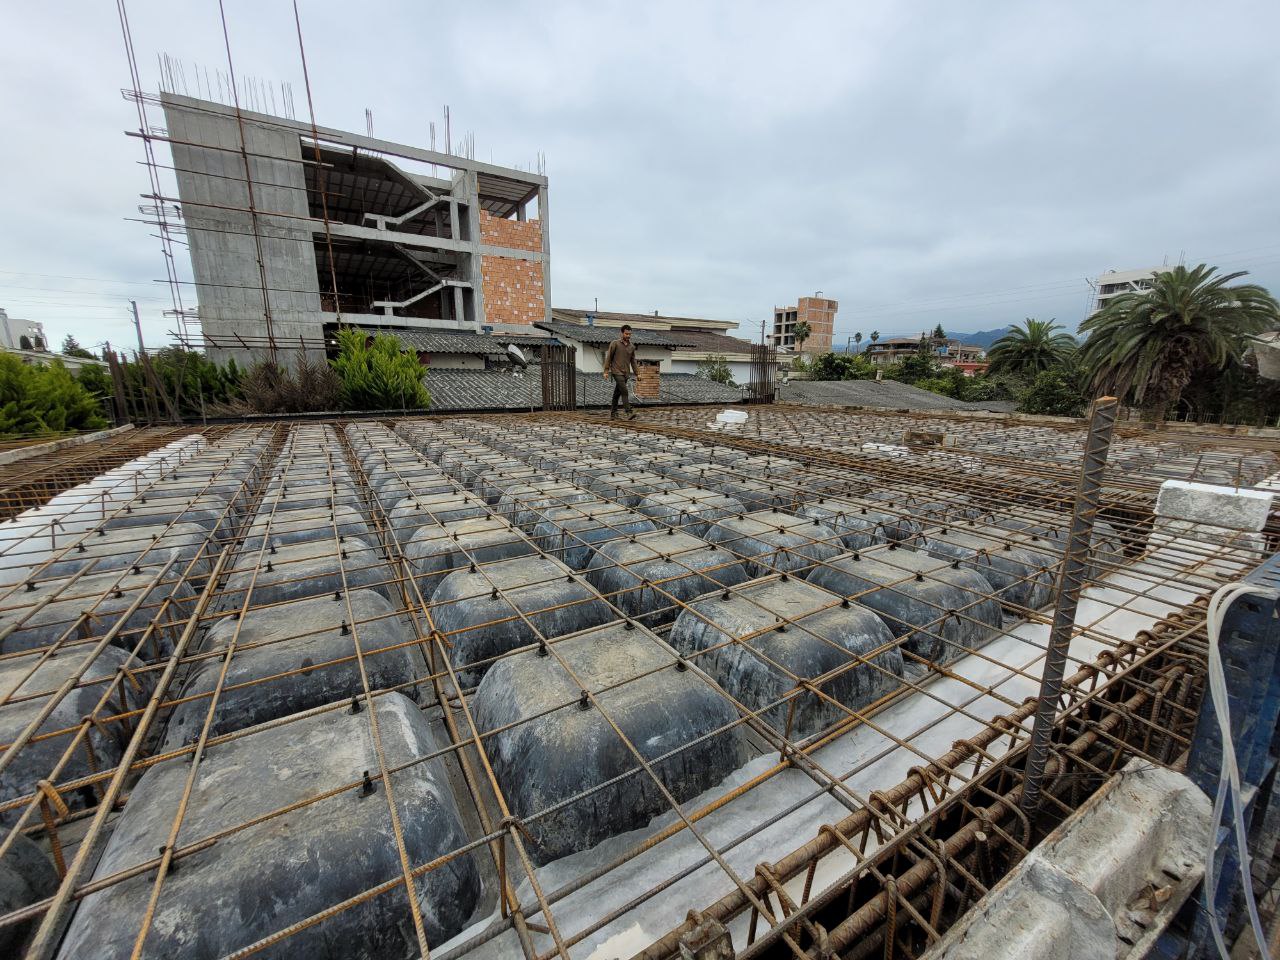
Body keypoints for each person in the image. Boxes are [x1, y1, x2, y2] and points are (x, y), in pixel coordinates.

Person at [603, 324, 639, 420]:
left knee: (617, 393)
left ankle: (613, 413)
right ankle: (628, 412)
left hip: (626, 374)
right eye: (626, 334)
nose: (628, 336)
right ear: (621, 333)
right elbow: (609, 357)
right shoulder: (615, 343)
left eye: (629, 334)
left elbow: (633, 361)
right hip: (616, 371)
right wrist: (606, 371)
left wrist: (637, 373)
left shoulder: (632, 347)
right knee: (624, 391)